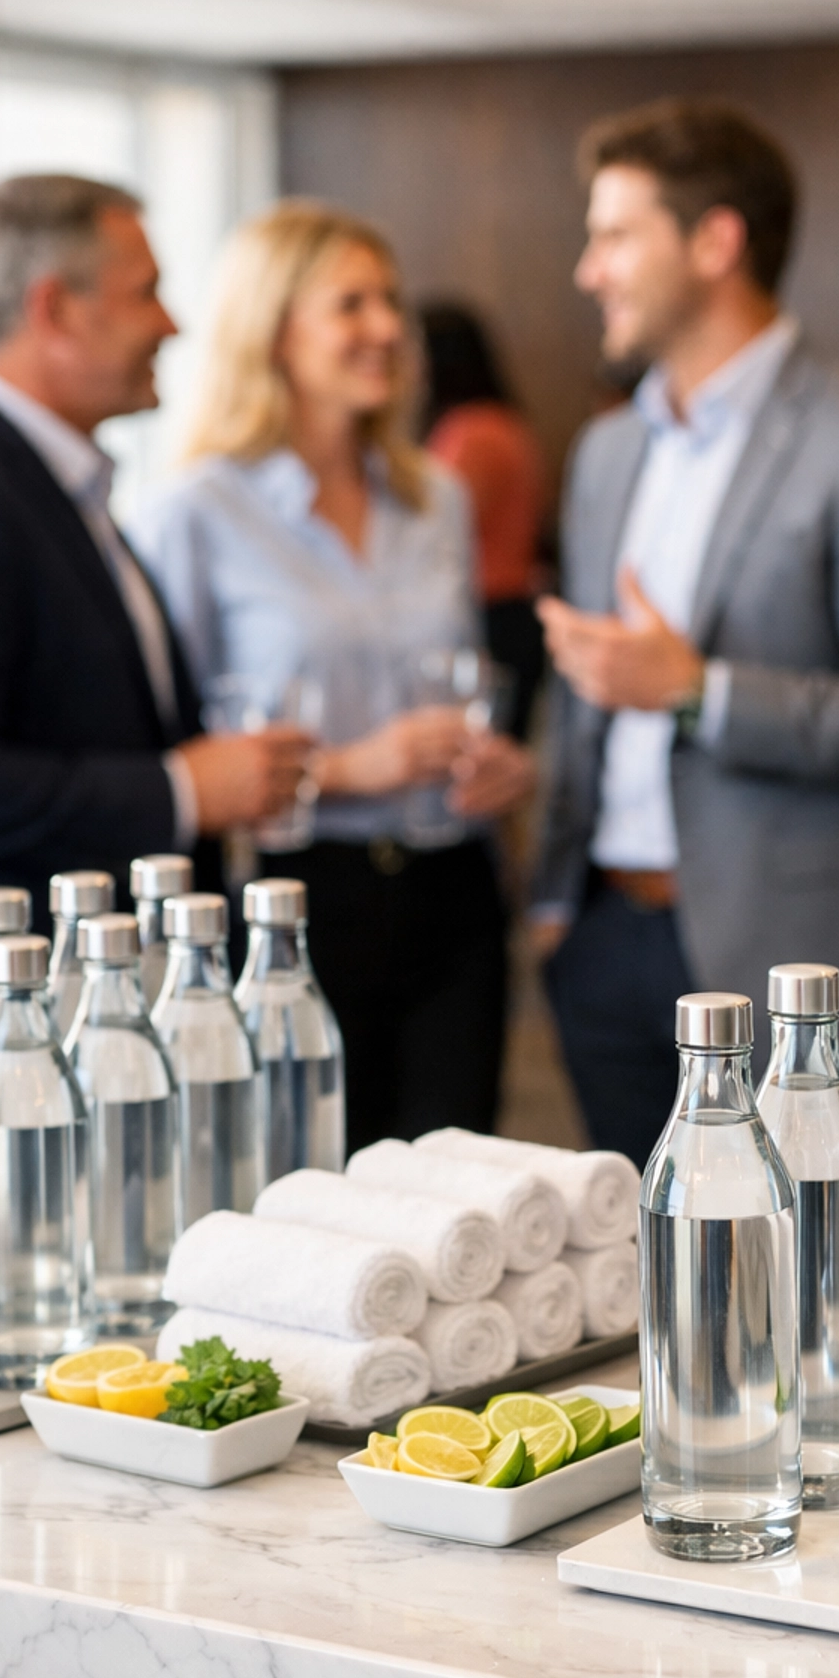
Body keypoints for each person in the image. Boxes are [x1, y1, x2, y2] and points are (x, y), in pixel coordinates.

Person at [532, 98, 839, 1167]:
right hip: (605, 945)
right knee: (636, 1301)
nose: (588, 270)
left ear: (715, 241)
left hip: (791, 966)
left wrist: (701, 691)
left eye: (614, 235)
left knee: (807, 1308)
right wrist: (557, 909)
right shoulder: (606, 453)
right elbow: (588, 690)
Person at [140, 200, 536, 1151]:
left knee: (458, 1186)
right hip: (297, 903)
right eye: (351, 304)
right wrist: (353, 767)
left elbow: (466, 678)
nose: (389, 329)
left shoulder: (432, 496)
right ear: (271, 328)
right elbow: (175, 745)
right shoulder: (197, 509)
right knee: (310, 1190)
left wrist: (506, 768)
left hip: (455, 893)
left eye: (390, 301)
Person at [0, 173, 310, 1015]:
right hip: (1, 1019)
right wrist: (182, 791)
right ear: (55, 310)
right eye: (147, 294)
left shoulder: (51, 483)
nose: (172, 326)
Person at [419, 301, 549, 740]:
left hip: (488, 615)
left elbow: (430, 533)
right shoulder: (510, 424)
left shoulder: (468, 433)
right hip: (517, 610)